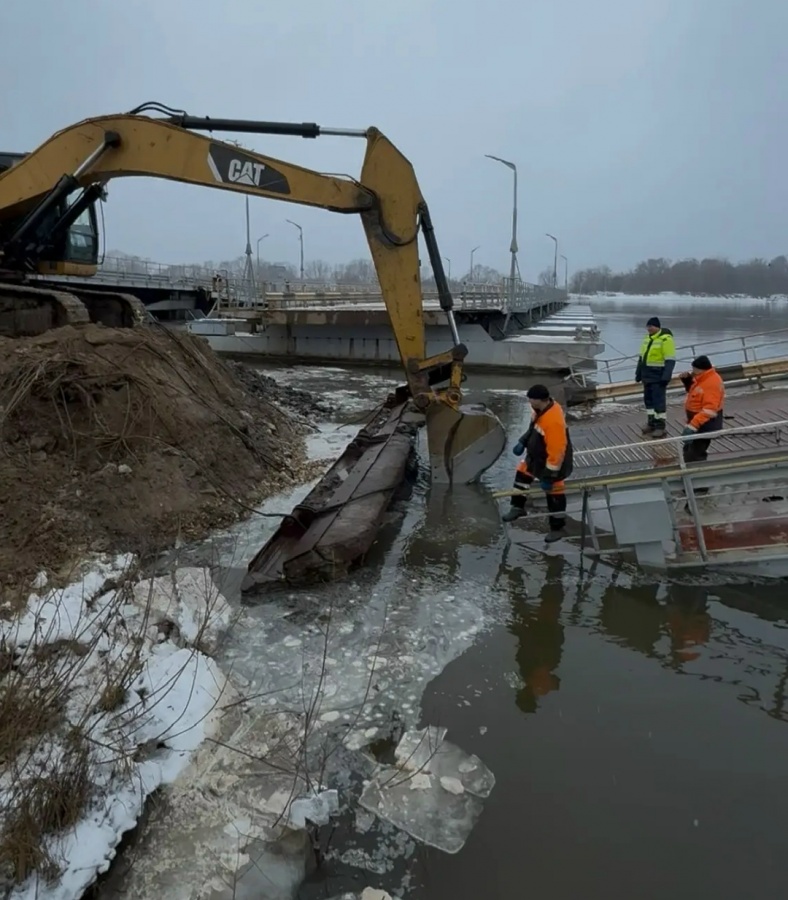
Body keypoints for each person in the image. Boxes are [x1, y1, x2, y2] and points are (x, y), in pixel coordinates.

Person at [502, 384, 573, 543]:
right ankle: (517, 507)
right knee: (522, 473)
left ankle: (557, 528)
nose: (529, 402)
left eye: (530, 400)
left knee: (555, 493)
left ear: (539, 400)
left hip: (554, 463)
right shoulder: (540, 410)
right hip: (536, 457)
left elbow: (557, 452)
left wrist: (549, 475)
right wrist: (522, 442)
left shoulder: (554, 421)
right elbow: (532, 429)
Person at [634, 316, 676, 439]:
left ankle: (660, 427)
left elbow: (670, 360)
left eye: (651, 326)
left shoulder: (666, 340)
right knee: (648, 401)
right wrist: (638, 373)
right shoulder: (647, 339)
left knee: (659, 402)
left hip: (658, 376)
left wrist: (666, 376)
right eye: (648, 327)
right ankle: (651, 423)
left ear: (657, 327)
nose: (649, 329)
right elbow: (642, 358)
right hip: (646, 376)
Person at [678, 355, 725, 463]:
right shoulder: (702, 378)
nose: (692, 371)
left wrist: (692, 426)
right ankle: (691, 469)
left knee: (695, 453)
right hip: (697, 421)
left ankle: (696, 473)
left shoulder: (711, 383)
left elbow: (710, 409)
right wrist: (687, 381)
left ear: (701, 369)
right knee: (689, 449)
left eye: (694, 369)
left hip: (703, 423)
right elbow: (695, 393)